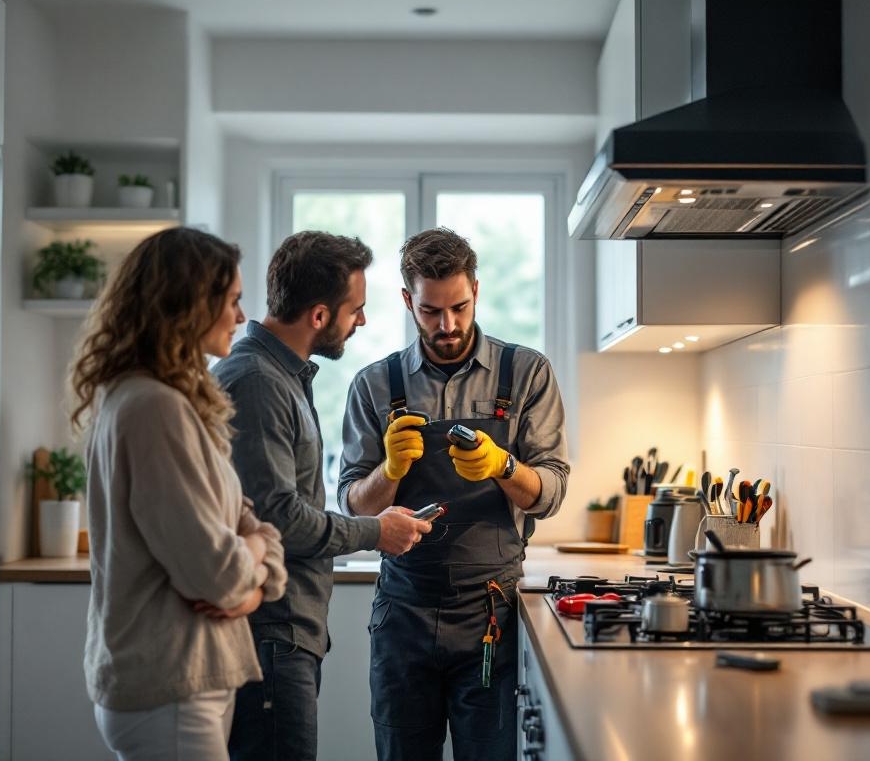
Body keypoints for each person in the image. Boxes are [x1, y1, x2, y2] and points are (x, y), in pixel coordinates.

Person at [339, 227, 570, 761]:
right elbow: (354, 506)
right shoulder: (374, 385)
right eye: (430, 311)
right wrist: (390, 471)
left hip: (492, 612)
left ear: (476, 291)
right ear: (407, 302)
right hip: (403, 611)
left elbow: (552, 491)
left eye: (459, 307)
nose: (447, 325)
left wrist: (503, 465)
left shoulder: (527, 372)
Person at [212, 230, 432, 761]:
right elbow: (281, 520)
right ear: (318, 315)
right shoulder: (259, 382)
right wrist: (376, 531)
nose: (362, 321)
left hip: (283, 633)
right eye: (354, 310)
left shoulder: (280, 376)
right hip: (271, 633)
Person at [71, 227, 288, 761]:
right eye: (232, 301)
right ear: (189, 305)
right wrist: (254, 560)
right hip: (169, 683)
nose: (241, 316)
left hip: (182, 679)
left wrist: (252, 570)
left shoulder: (162, 400)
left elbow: (246, 522)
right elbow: (218, 575)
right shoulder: (154, 408)